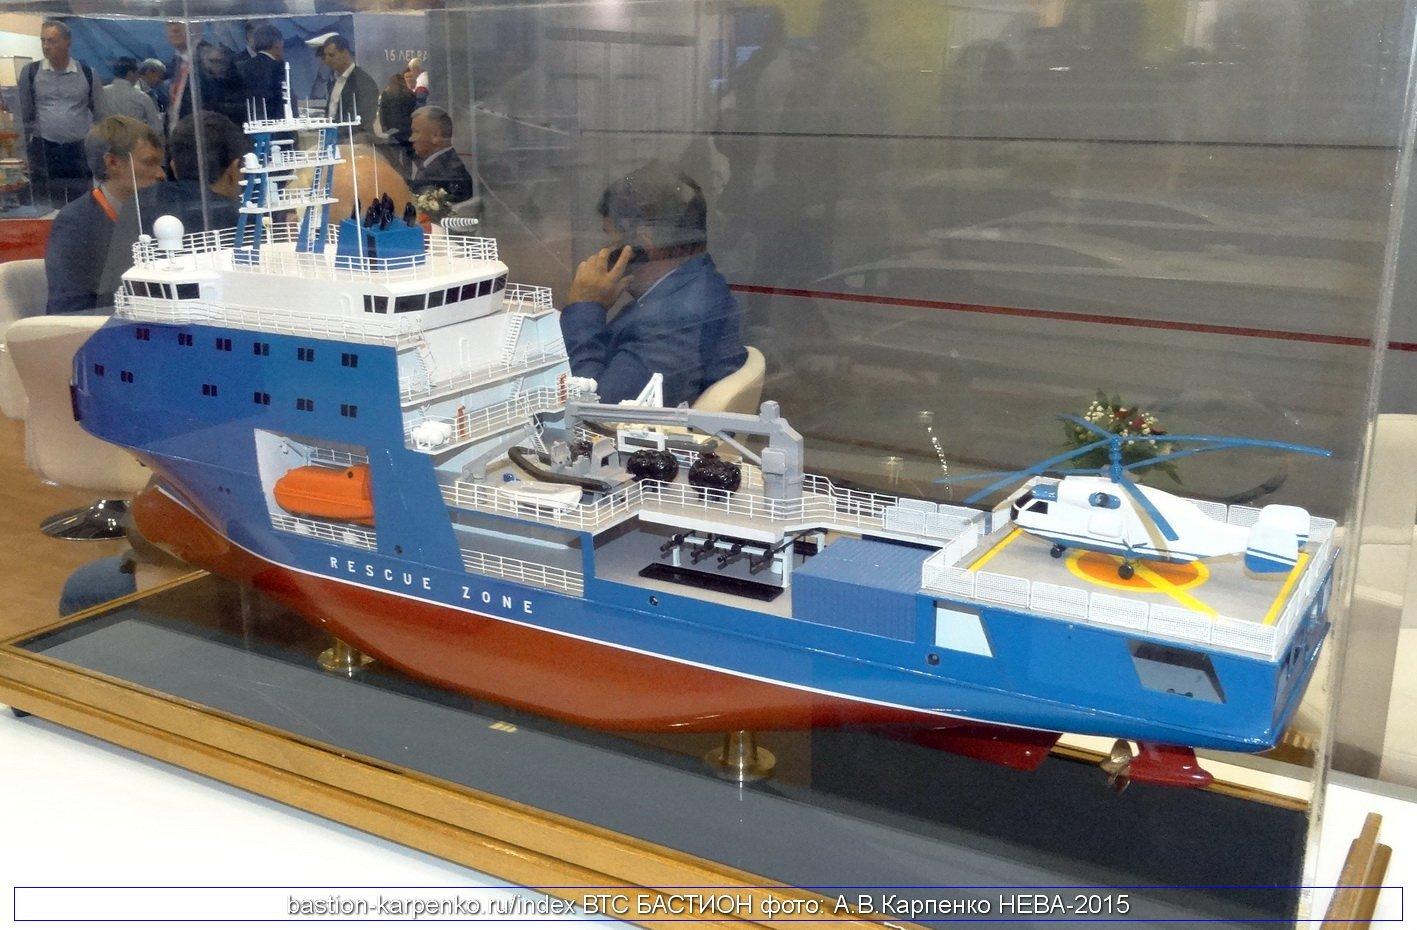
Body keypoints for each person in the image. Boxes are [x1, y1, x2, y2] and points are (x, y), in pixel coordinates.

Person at [559, 161, 746, 407]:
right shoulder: (702, 281)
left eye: (611, 239)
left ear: (644, 243)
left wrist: (585, 307)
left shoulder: (667, 322)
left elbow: (599, 411)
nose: (604, 251)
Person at [98, 111, 247, 296]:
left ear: (174, 167)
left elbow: (112, 286)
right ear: (235, 169)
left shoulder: (139, 205)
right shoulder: (241, 220)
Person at [44, 115, 165, 314]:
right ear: (112, 163)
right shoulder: (75, 223)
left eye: (160, 164)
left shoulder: (156, 216)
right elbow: (68, 311)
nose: (161, 174)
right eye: (149, 162)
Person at [18, 20, 106, 205]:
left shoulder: (87, 73)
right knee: (45, 203)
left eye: (51, 41)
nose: (45, 46)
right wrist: (21, 153)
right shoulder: (31, 72)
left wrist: (98, 152)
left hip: (78, 150)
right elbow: (23, 116)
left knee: (81, 203)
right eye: (43, 41)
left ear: (67, 42)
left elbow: (101, 116)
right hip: (44, 149)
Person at [408, 105, 473, 204]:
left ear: (436, 136)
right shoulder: (445, 165)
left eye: (416, 132)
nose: (411, 138)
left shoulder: (445, 175)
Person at [318, 35, 378, 136]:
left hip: (354, 140)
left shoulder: (363, 82)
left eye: (331, 55)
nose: (327, 60)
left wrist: (339, 134)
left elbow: (365, 118)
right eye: (325, 56)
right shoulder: (335, 81)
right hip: (335, 138)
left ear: (345, 53)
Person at [102, 57, 163, 136]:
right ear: (130, 73)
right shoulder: (142, 97)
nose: (138, 76)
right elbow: (157, 128)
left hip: (107, 138)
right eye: (137, 73)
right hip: (134, 140)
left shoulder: (102, 92)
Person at [238, 22, 285, 120]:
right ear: (277, 44)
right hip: (275, 120)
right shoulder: (279, 67)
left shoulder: (242, 66)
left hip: (249, 118)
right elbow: (282, 97)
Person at [377, 69, 416, 166]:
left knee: (394, 160)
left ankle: (397, 174)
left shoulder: (387, 94)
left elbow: (382, 113)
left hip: (393, 130)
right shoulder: (410, 94)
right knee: (408, 160)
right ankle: (407, 175)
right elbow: (413, 113)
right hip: (407, 130)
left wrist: (385, 128)